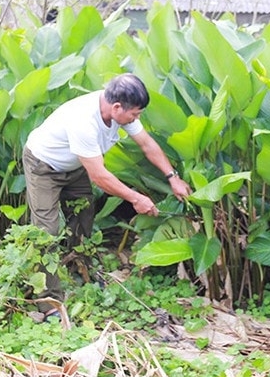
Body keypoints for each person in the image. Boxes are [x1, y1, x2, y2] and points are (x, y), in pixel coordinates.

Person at [23, 73, 192, 315]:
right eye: (135, 114)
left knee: (83, 216)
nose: (136, 119)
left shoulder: (121, 112)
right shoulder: (83, 121)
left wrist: (172, 177)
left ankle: (79, 269)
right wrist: (136, 198)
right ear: (116, 106)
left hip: (75, 166)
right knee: (45, 232)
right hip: (43, 166)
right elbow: (99, 177)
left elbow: (147, 144)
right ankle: (49, 302)